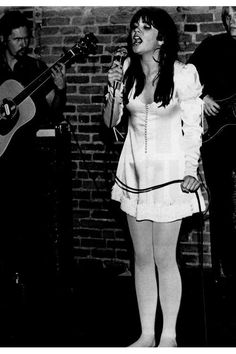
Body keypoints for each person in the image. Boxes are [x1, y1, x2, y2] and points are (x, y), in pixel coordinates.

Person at [103, 7, 205, 347]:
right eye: (135, 26)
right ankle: (147, 334)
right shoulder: (127, 71)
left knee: (164, 256)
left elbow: (193, 129)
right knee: (142, 258)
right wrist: (113, 89)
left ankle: (169, 337)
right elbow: (109, 123)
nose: (137, 31)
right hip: (133, 171)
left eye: (145, 27)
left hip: (169, 175)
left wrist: (191, 172)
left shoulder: (183, 74)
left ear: (160, 39)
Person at [0, 10, 66, 289]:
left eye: (26, 38)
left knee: (30, 219)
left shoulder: (36, 69)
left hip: (27, 157)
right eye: (17, 39)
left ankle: (30, 278)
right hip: (2, 158)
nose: (23, 44)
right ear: (3, 39)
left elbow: (53, 108)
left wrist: (60, 88)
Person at [188, 6, 236, 287]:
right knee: (220, 203)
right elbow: (185, 79)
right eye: (228, 16)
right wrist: (202, 97)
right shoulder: (212, 45)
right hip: (217, 137)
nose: (232, 21)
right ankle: (223, 270)